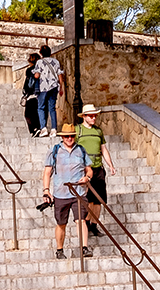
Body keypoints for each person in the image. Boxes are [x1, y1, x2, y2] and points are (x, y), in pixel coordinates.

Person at [42, 123, 93, 258]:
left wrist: (87, 177)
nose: (69, 138)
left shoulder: (81, 150)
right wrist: (46, 191)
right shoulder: (54, 150)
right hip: (60, 193)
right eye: (66, 136)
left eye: (71, 136)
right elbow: (47, 172)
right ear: (62, 137)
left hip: (79, 192)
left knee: (81, 220)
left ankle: (84, 247)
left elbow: (89, 169)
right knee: (61, 223)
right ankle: (59, 250)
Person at [74, 104, 115, 237]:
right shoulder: (78, 130)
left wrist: (110, 165)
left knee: (99, 199)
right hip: (84, 169)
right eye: (91, 116)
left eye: (95, 115)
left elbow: (103, 149)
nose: (93, 118)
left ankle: (94, 225)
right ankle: (85, 223)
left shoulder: (98, 131)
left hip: (98, 168)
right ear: (84, 116)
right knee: (88, 199)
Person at [33, 45, 64, 136]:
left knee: (41, 107)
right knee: (52, 108)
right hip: (54, 87)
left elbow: (37, 76)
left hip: (43, 87)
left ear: (41, 53)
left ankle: (43, 128)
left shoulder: (39, 62)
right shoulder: (56, 62)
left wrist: (34, 74)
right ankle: (54, 129)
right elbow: (59, 75)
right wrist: (61, 87)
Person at [21, 53, 42, 137]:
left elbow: (28, 83)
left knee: (28, 114)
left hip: (32, 94)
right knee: (37, 112)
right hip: (40, 93)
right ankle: (37, 128)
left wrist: (25, 92)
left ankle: (34, 129)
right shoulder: (41, 69)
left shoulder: (29, 70)